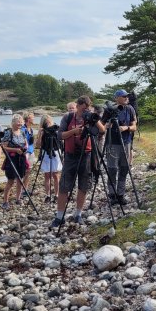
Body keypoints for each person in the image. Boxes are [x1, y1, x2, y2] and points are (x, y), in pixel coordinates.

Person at [50, 95, 105, 227]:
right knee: (64, 186)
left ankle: (78, 214)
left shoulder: (91, 117)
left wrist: (94, 118)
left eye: (88, 108)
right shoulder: (68, 117)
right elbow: (60, 135)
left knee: (84, 185)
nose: (85, 111)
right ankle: (59, 216)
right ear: (78, 106)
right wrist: (74, 131)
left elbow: (102, 131)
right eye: (84, 108)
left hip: (86, 155)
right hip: (70, 155)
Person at [105, 89, 138, 205]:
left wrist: (126, 128)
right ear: (117, 98)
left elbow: (134, 126)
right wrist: (109, 125)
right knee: (112, 169)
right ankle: (112, 195)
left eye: (127, 96)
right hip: (112, 143)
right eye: (123, 96)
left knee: (124, 169)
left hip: (126, 142)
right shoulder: (110, 109)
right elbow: (102, 125)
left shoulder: (130, 109)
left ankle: (120, 194)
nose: (126, 98)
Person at [0, 114, 29, 208]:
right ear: (13, 123)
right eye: (18, 122)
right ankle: (5, 201)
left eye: (21, 122)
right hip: (11, 158)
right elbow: (4, 147)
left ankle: (18, 199)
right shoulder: (8, 132)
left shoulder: (23, 132)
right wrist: (15, 150)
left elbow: (26, 143)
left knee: (20, 179)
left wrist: (25, 148)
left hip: (21, 158)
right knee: (11, 180)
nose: (20, 123)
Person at [35, 115, 62, 203]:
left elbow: (61, 140)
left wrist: (56, 131)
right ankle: (48, 195)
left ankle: (57, 195)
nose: (48, 124)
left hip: (55, 152)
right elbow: (38, 145)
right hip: (45, 152)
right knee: (47, 175)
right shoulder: (43, 131)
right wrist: (40, 134)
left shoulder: (56, 129)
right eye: (46, 123)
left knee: (56, 174)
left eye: (49, 122)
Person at [20, 112, 36, 199]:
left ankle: (25, 189)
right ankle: (21, 190)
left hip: (31, 151)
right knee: (24, 171)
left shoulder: (31, 129)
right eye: (32, 118)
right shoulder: (23, 129)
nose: (33, 119)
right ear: (28, 119)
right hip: (26, 152)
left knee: (28, 171)